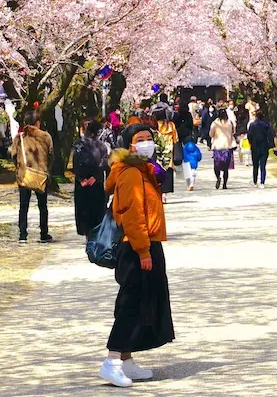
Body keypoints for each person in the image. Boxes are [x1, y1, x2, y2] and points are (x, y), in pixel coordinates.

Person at [99, 123, 175, 387]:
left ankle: (127, 360)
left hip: (146, 243)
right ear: (129, 145)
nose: (146, 142)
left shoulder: (144, 170)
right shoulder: (131, 172)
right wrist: (143, 251)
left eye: (149, 138)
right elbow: (133, 214)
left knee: (143, 302)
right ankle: (112, 361)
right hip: (135, 246)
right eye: (139, 139)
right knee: (132, 304)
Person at [11, 110, 54, 244]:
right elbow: (51, 155)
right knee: (43, 206)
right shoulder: (46, 136)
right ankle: (43, 233)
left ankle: (23, 234)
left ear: (24, 123)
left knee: (23, 206)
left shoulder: (19, 138)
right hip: (41, 175)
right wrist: (46, 169)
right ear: (38, 123)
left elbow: (13, 155)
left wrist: (19, 168)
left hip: (24, 176)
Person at [73, 119, 111, 236]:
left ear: (83, 130)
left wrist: (81, 178)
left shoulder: (78, 144)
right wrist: (96, 176)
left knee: (84, 212)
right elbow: (105, 162)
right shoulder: (102, 146)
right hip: (97, 182)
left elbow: (76, 162)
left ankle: (87, 234)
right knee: (97, 212)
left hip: (82, 184)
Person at [209, 110, 237, 190]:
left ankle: (218, 177)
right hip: (227, 146)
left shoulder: (215, 123)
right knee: (225, 168)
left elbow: (211, 134)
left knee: (216, 165)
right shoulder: (230, 123)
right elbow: (233, 132)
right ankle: (224, 184)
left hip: (217, 146)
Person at [246, 112, 275, 188]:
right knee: (263, 166)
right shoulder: (266, 125)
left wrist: (251, 142)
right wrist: (271, 145)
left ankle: (255, 181)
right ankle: (262, 182)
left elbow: (249, 135)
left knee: (255, 165)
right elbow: (270, 136)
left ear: (256, 116)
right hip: (264, 147)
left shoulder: (252, 125)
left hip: (255, 147)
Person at [234, 100, 250, 166]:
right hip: (242, 130)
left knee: (244, 146)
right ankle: (243, 159)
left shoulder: (245, 112)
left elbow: (246, 120)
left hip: (242, 131)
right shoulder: (237, 111)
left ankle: (245, 160)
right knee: (243, 146)